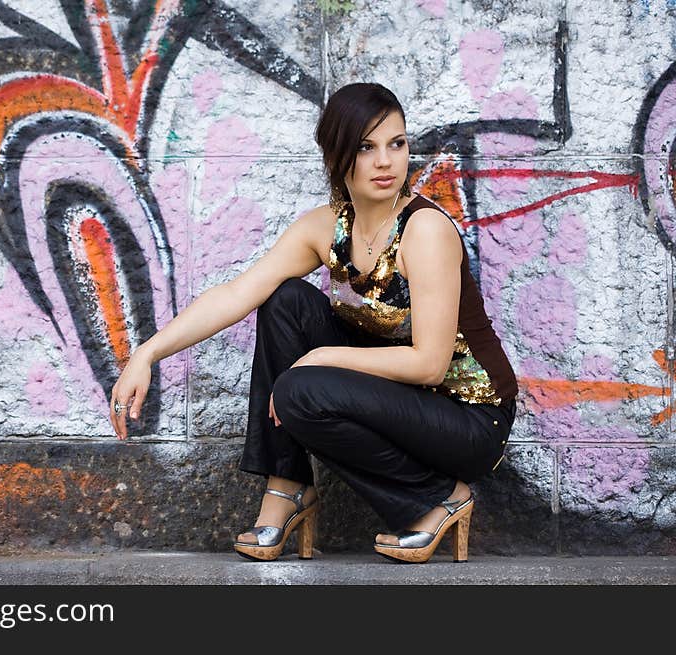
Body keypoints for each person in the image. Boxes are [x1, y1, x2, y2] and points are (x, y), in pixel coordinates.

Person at [108, 82, 518, 564]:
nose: (385, 162)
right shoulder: (325, 227)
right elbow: (237, 293)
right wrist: (147, 353)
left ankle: (437, 496)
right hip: (399, 403)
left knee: (300, 390)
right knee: (285, 301)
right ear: (336, 155)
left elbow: (430, 364)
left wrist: (321, 358)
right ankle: (288, 486)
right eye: (366, 147)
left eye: (397, 143)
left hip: (466, 418)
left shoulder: (424, 230)